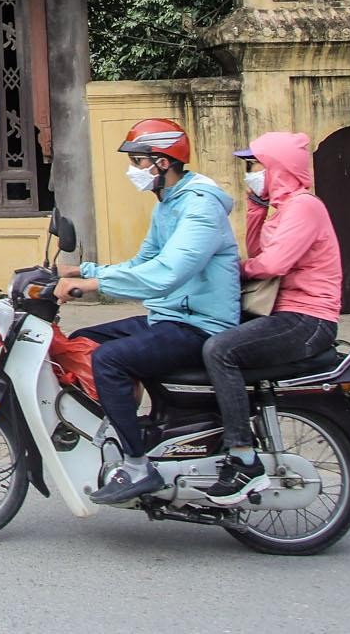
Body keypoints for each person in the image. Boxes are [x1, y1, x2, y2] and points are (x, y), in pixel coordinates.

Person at [54, 117, 240, 505]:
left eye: (139, 161)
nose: (133, 171)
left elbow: (165, 276)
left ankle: (138, 465)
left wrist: (91, 286)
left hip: (198, 325)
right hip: (168, 316)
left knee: (109, 360)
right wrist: (82, 269)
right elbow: (143, 263)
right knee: (82, 341)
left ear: (163, 162)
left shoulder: (200, 208)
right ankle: (127, 423)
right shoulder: (169, 205)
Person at [199, 130, 344, 506]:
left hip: (308, 319)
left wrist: (237, 269)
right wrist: (256, 206)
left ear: (278, 168)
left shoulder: (305, 207)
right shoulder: (285, 210)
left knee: (220, 351)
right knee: (200, 336)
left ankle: (242, 456)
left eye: (256, 166)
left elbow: (272, 264)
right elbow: (262, 249)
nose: (251, 173)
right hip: (286, 313)